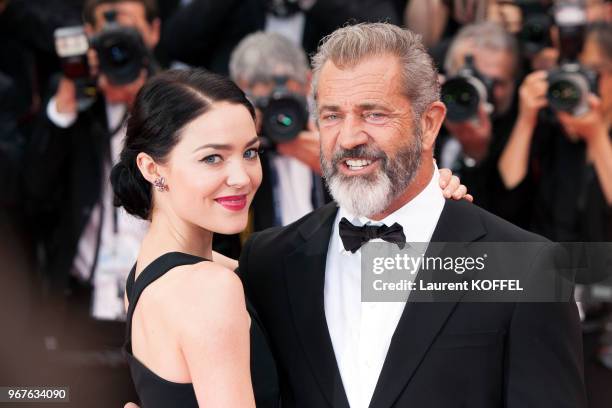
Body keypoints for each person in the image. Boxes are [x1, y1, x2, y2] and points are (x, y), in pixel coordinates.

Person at [239, 22, 586, 407]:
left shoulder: (526, 269)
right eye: (332, 115)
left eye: (374, 115)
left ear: (429, 124)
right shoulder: (268, 262)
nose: (349, 137)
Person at [118, 66, 470, 408]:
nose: (241, 177)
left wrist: (424, 206)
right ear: (151, 168)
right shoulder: (209, 288)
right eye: (212, 158)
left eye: (250, 152)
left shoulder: (148, 276)